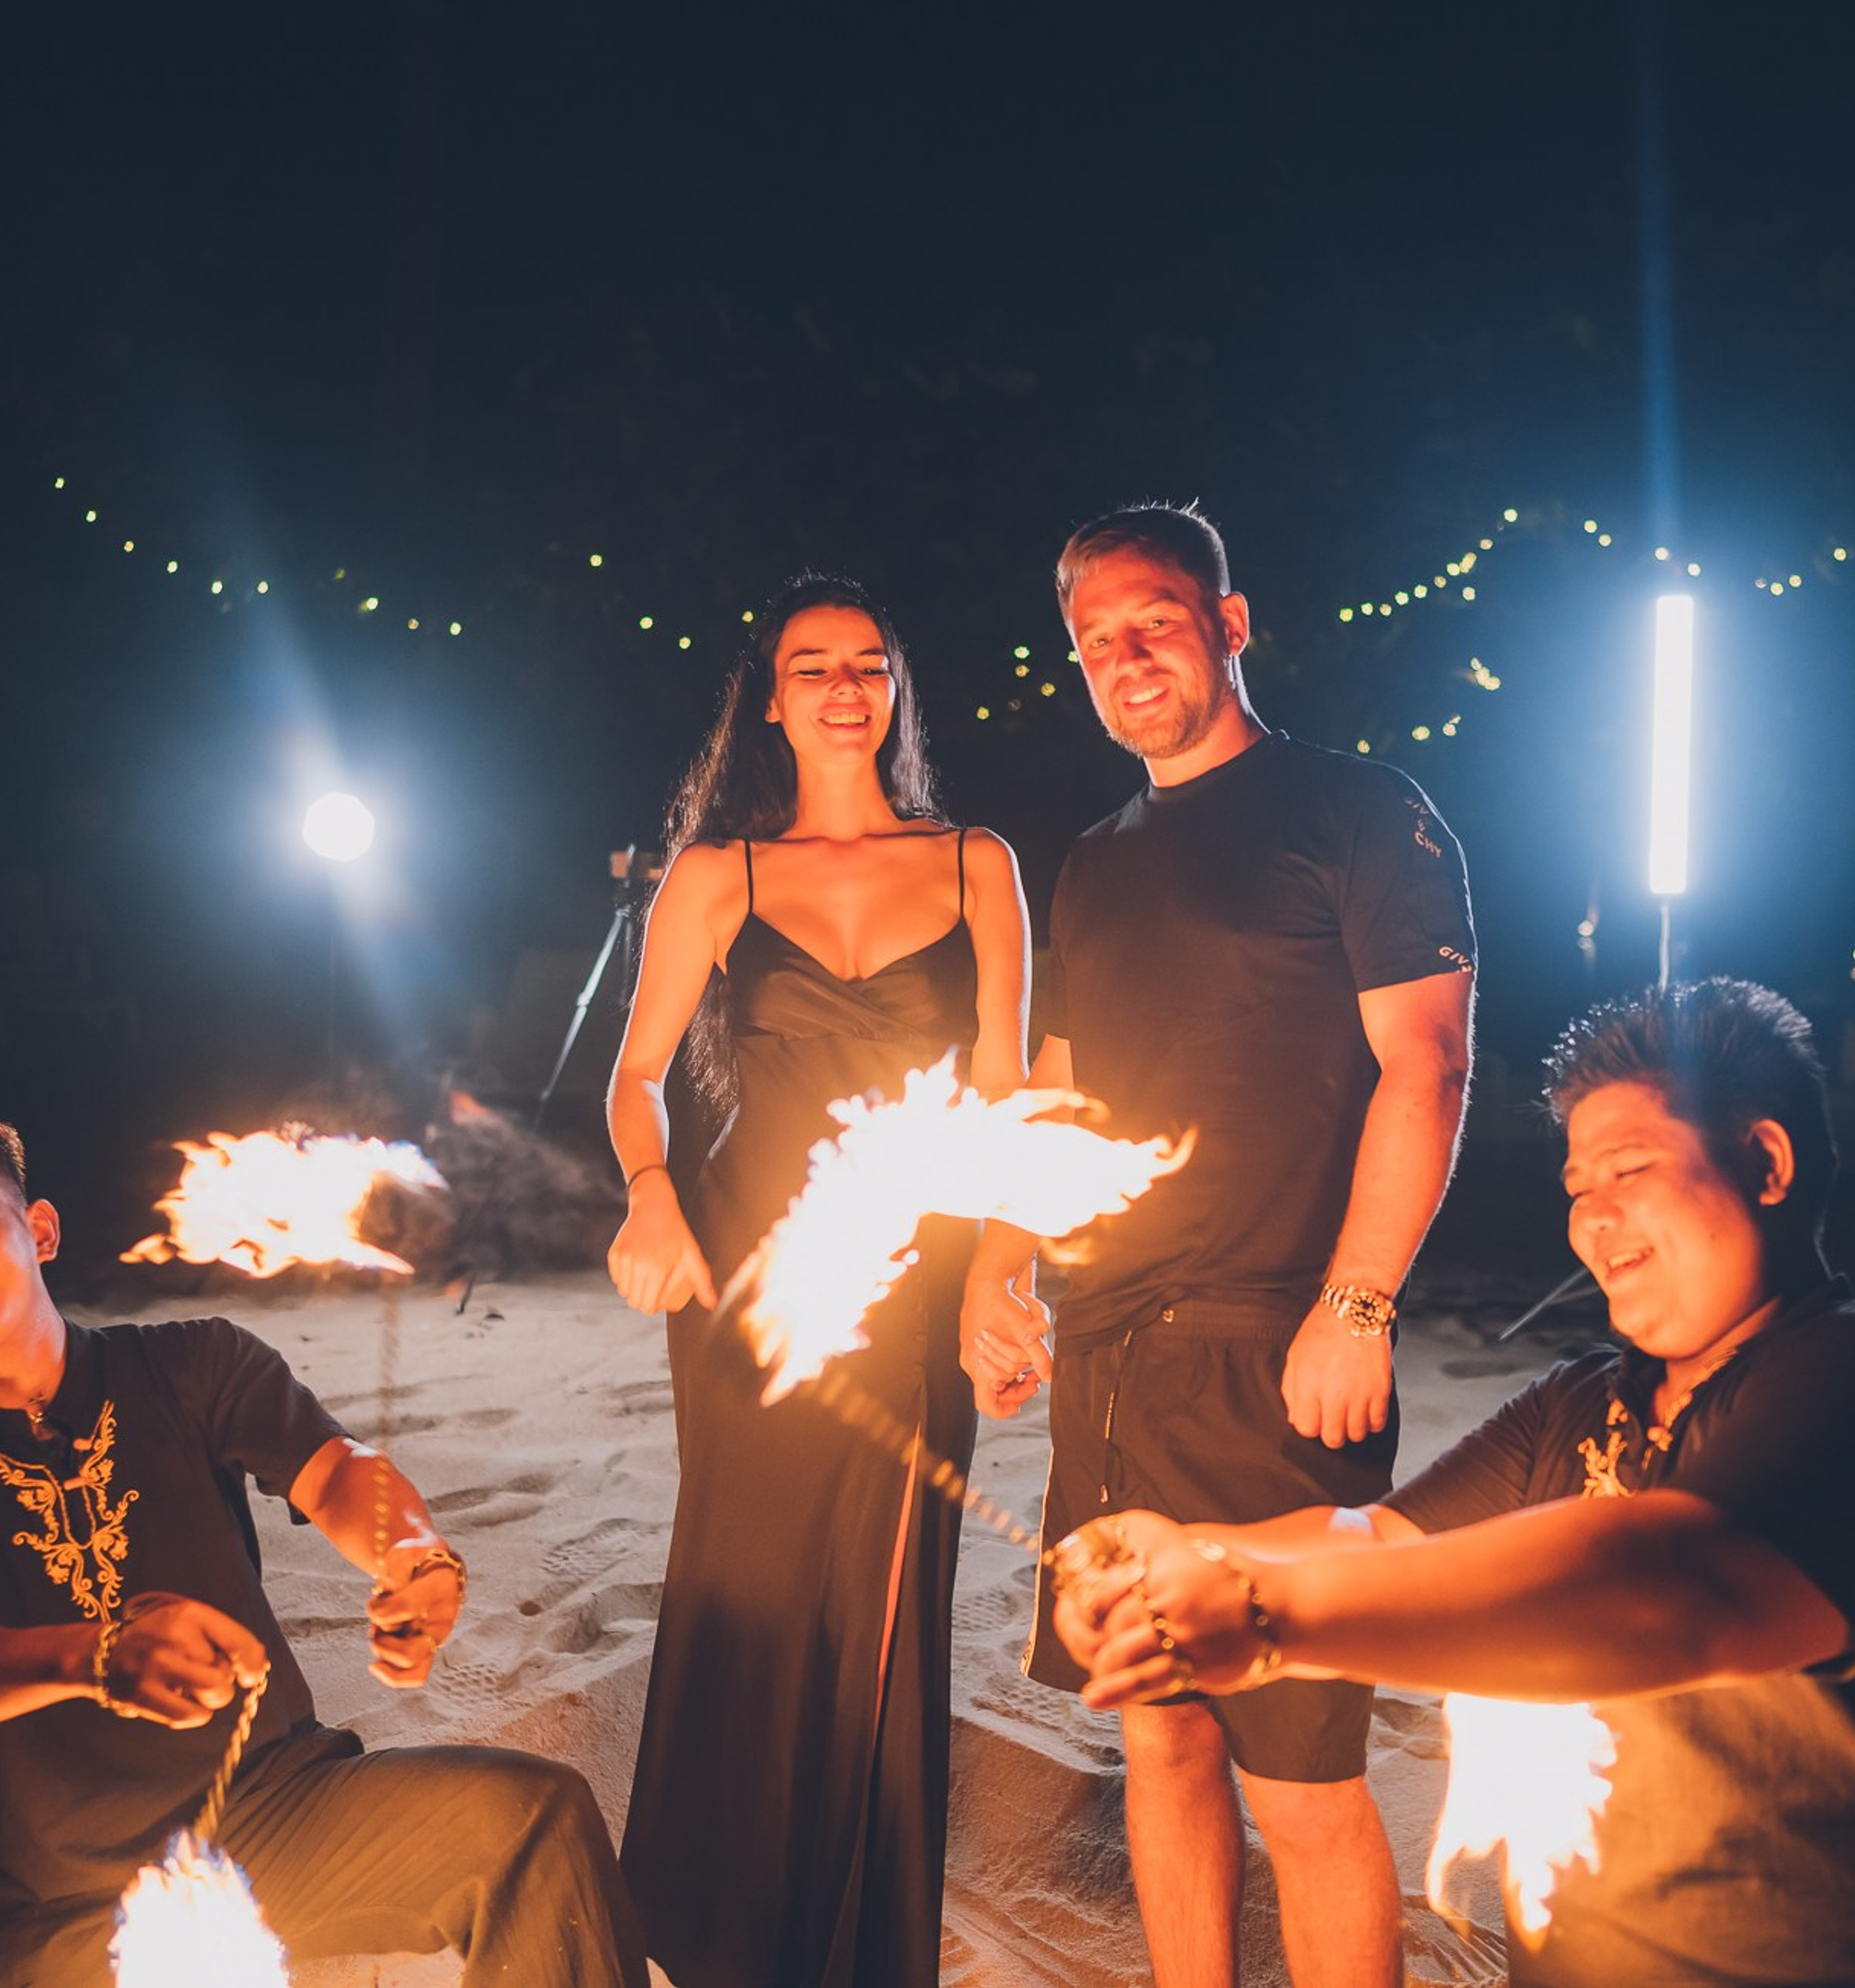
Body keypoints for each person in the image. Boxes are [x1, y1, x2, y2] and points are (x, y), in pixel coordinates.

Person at [1054, 978, 1855, 1987]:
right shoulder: (1575, 1404)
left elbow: (1679, 1591)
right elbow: (1377, 1539)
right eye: (1577, 1188)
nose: (1593, 1215)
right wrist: (1183, 1553)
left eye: (1629, 1167)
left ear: (1766, 1162)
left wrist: (1266, 1615)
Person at [961, 503, 1477, 1988]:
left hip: (1278, 1348)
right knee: (1162, 1739)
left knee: (1300, 1783)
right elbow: (1056, 1095)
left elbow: (1429, 1064)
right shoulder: (1092, 864)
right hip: (1111, 1360)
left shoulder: (1361, 811)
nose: (1126, 660)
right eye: (1095, 641)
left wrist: (1358, 1303)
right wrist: (1000, 1264)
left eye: (1157, 624)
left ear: (1230, 625)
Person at [606, 571, 1030, 1985]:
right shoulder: (718, 874)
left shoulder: (977, 862)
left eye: (868, 664)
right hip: (749, 1272)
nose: (845, 687)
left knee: (883, 1604)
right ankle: (718, 1942)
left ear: (894, 690)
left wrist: (1001, 1276)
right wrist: (652, 1195)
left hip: (917, 1272)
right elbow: (637, 1076)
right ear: (771, 702)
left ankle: (855, 1952)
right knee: (747, 1584)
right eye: (814, 667)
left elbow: (1008, 1093)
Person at [0, 1121, 649, 1988]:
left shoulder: (189, 1363)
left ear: (40, 1229)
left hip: (272, 1810)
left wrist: (412, 1554)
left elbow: (337, 1469)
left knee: (535, 1819)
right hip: (55, 1903)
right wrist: (91, 1656)